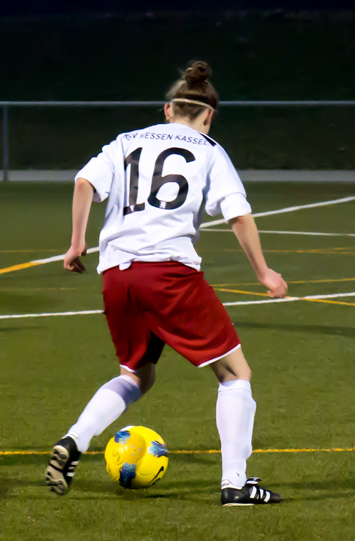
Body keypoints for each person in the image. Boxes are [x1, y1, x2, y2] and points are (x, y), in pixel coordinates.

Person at [44, 62, 288, 506]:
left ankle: (75, 440)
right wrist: (263, 273)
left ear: (167, 109)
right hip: (168, 273)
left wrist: (77, 243)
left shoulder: (125, 142)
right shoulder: (210, 149)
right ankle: (235, 484)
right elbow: (237, 213)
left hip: (117, 275)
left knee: (136, 374)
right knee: (236, 374)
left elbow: (83, 182)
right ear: (208, 116)